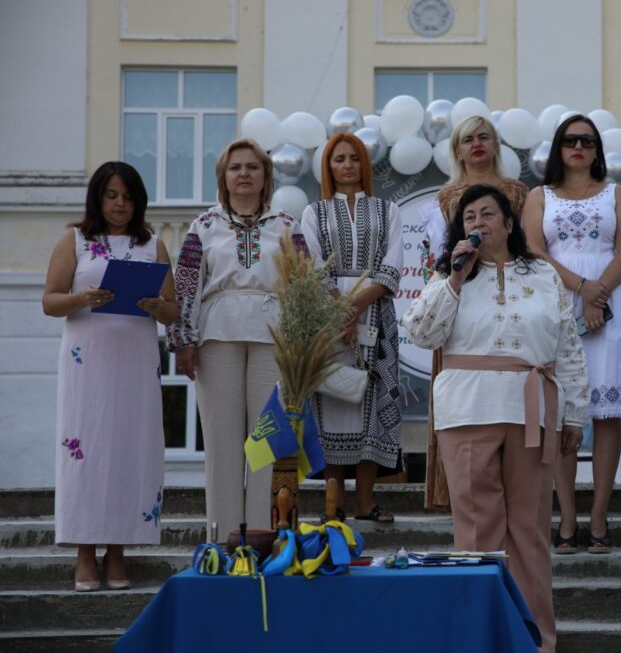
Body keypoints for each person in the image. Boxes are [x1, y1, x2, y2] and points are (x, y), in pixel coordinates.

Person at [401, 184, 589, 653]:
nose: (479, 222)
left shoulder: (542, 273)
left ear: (509, 223)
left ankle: (535, 641)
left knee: (529, 531)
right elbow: (421, 333)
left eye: (488, 214)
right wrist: (455, 278)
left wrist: (573, 414)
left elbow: (567, 345)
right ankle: (480, 639)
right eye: (469, 217)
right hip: (467, 409)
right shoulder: (448, 275)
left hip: (533, 410)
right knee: (476, 530)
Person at [168, 138, 312, 541]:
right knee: (221, 443)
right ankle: (223, 540)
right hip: (217, 335)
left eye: (252, 167)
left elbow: (305, 287)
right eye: (236, 168)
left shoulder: (288, 224)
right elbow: (186, 286)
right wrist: (183, 340)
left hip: (276, 338)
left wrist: (303, 345)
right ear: (223, 177)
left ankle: (267, 539)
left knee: (269, 442)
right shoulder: (203, 226)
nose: (244, 174)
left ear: (266, 176)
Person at [43, 161, 177, 591]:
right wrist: (83, 298)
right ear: (97, 198)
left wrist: (156, 307)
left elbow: (173, 310)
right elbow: (50, 301)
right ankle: (84, 553)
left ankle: (118, 553)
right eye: (112, 195)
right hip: (88, 363)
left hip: (136, 363)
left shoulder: (153, 244)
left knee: (131, 451)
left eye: (128, 196)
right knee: (87, 450)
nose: (120, 204)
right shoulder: (75, 239)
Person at [522, 114, 621, 554]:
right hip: (558, 302)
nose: (579, 147)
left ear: (597, 150)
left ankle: (599, 517)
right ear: (558, 147)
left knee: (606, 414)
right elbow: (534, 251)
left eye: (587, 141)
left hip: (608, 304)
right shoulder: (540, 196)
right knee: (562, 413)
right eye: (570, 140)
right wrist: (581, 289)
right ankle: (568, 517)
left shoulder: (616, 194)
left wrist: (598, 295)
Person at [420, 114, 529, 510]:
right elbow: (439, 256)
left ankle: (514, 489)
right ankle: (459, 496)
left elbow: (526, 246)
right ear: (457, 149)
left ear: (496, 144)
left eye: (484, 136)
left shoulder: (517, 192)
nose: (477, 144)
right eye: (468, 139)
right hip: (461, 298)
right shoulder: (446, 197)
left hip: (509, 297)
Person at [300, 132, 403, 522]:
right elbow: (312, 263)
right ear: (327, 166)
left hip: (376, 311)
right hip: (326, 317)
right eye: (339, 159)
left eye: (354, 158)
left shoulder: (387, 210)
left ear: (365, 164)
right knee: (330, 398)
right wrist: (339, 308)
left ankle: (366, 502)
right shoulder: (315, 212)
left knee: (372, 402)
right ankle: (334, 505)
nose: (347, 165)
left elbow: (392, 264)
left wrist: (356, 304)